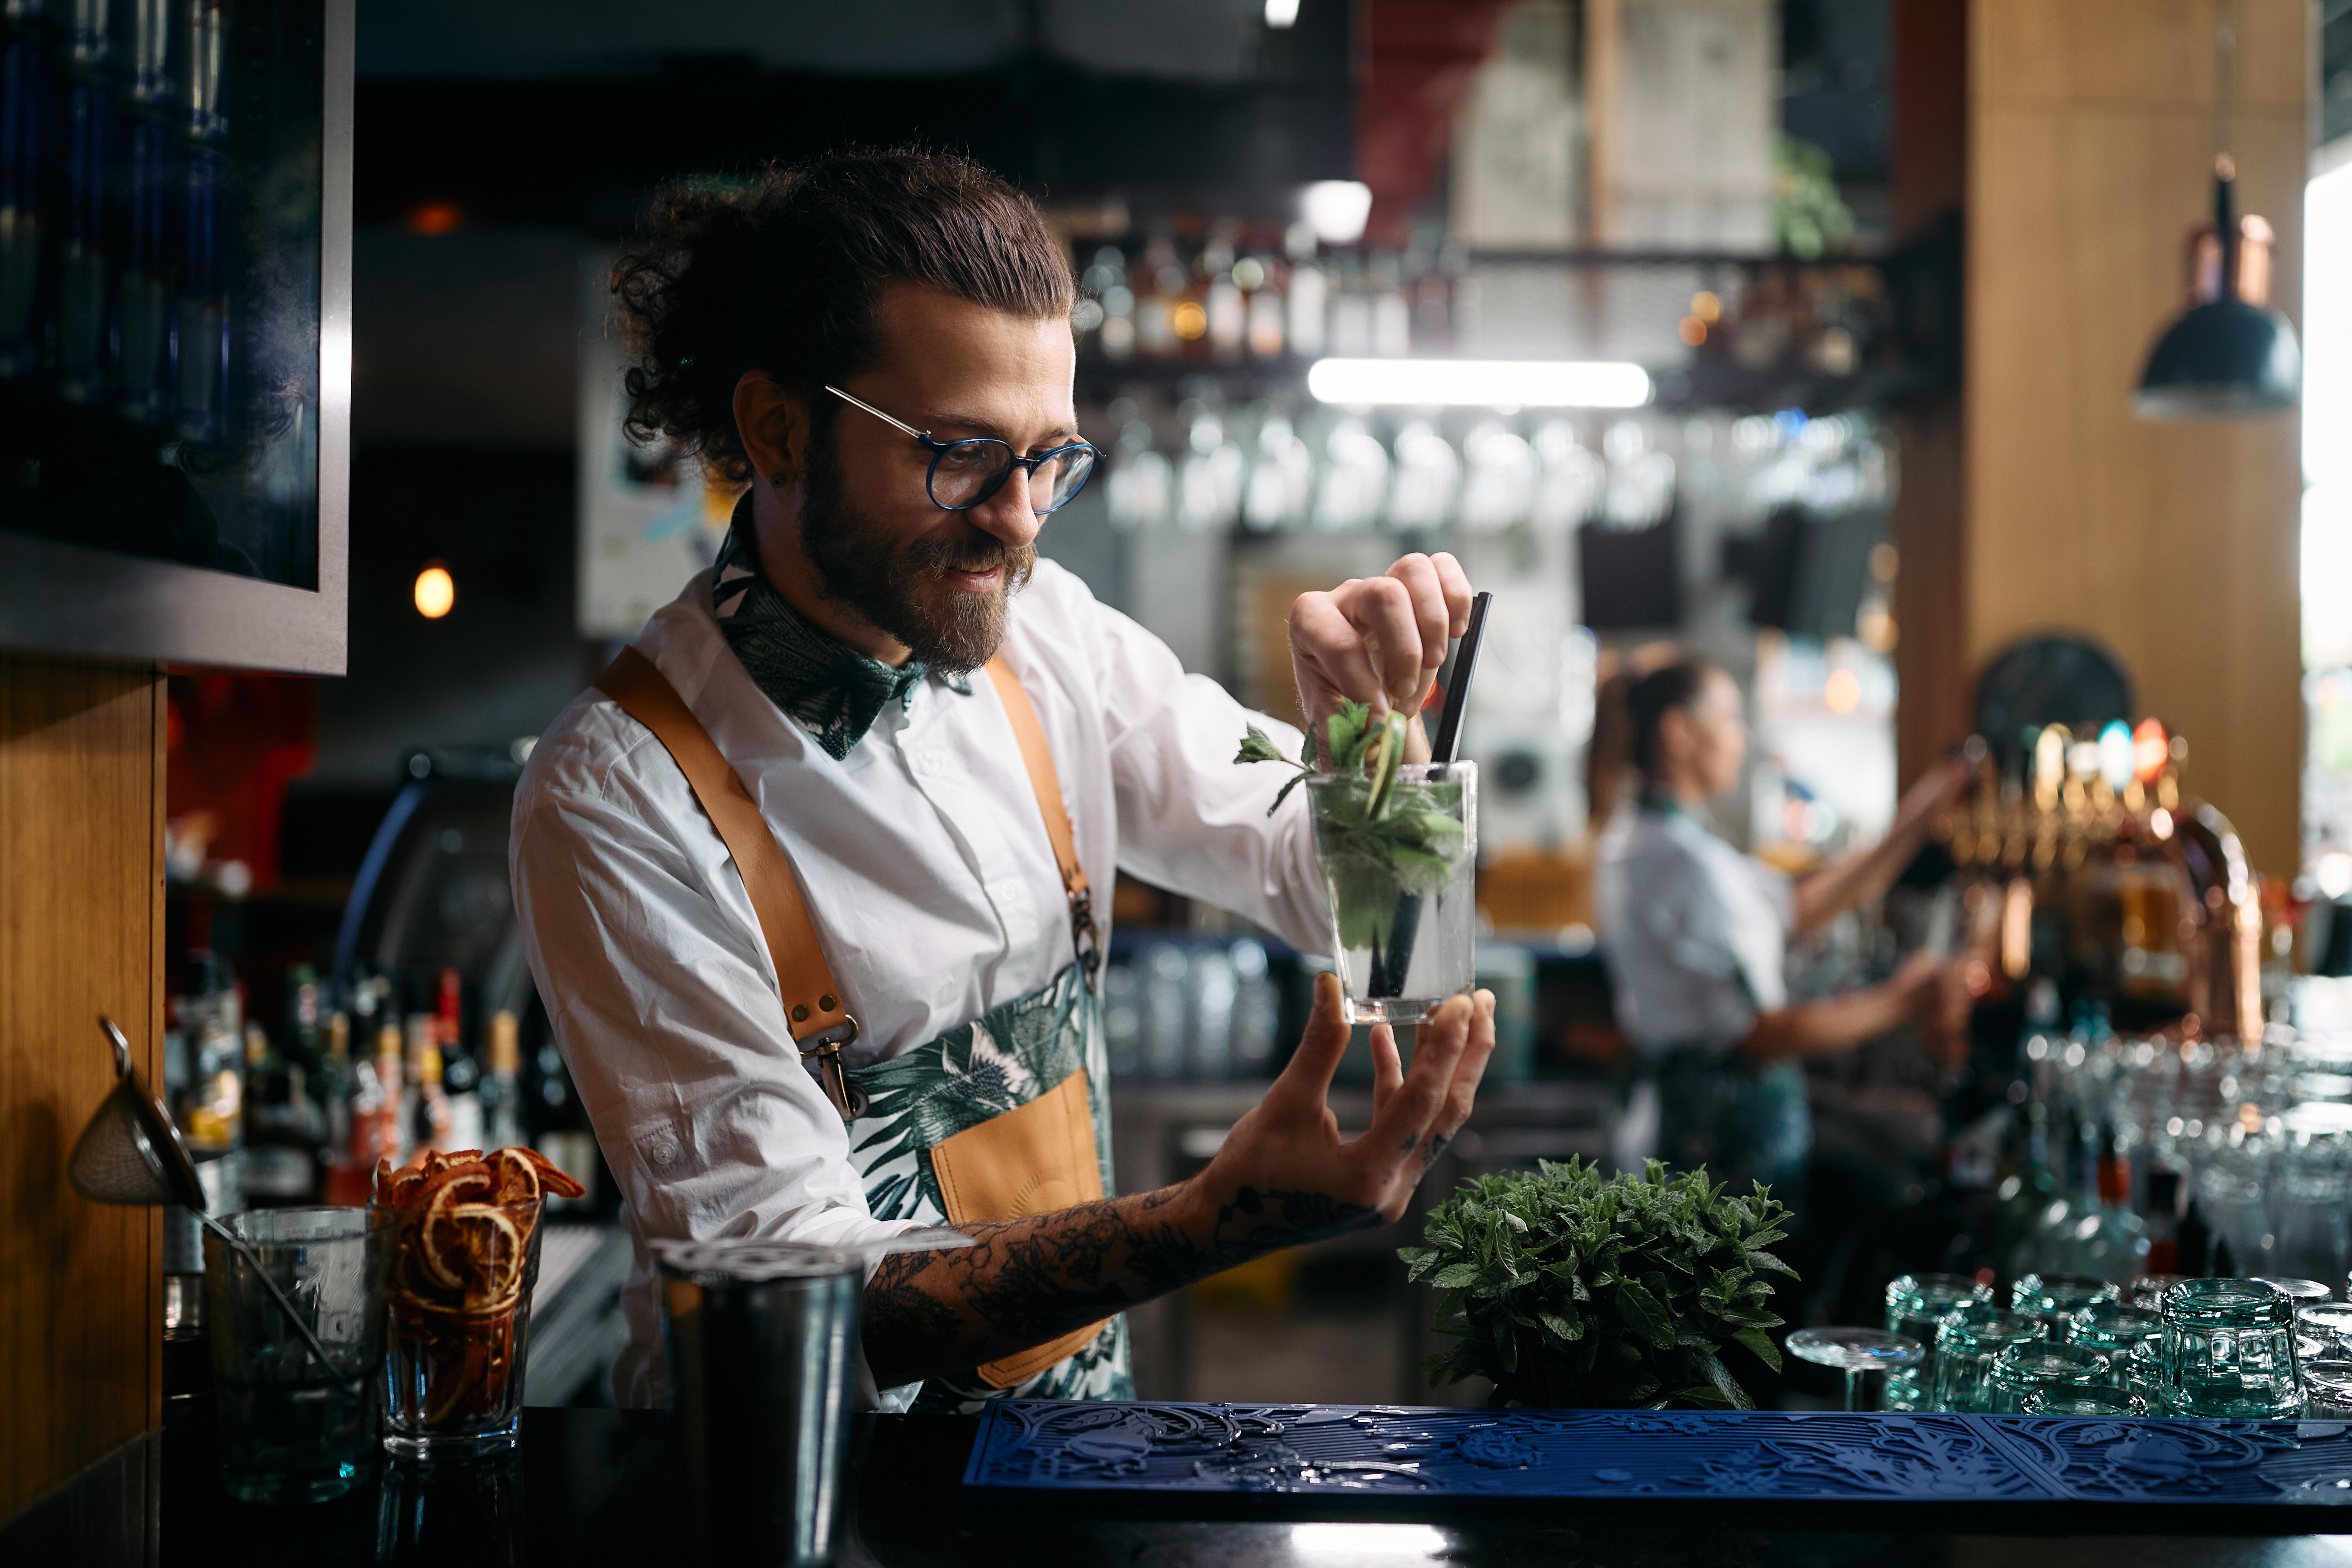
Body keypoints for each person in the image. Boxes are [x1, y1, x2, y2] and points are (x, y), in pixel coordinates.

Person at [508, 149, 1498, 1412]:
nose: (1023, 518)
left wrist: (1373, 741)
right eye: (963, 454)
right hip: (807, 1490)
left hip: (1070, 1459)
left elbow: (1367, 926)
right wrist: (1203, 1220)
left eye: (1050, 459)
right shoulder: (619, 795)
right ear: (775, 429)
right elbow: (798, 1289)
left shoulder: (1051, 635)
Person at [1590, 658, 1973, 1194]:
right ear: (1677, 732)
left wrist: (1923, 809)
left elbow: (1799, 908)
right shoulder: (1681, 862)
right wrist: (1903, 1001)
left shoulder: (1644, 842)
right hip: (1717, 1151)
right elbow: (1761, 1035)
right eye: (1728, 719)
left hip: (1676, 1131)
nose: (1740, 739)